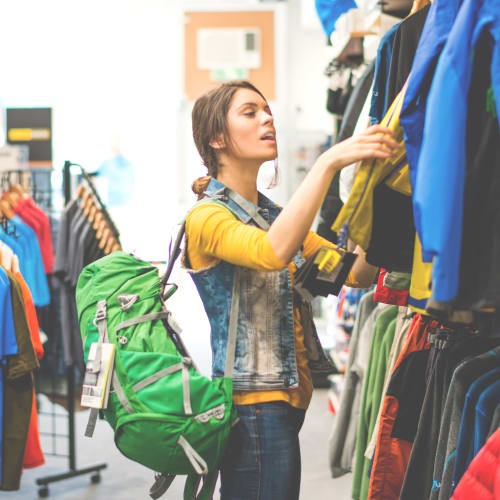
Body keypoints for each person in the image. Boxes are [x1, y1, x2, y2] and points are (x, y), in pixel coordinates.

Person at [184, 80, 397, 500]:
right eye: (250, 112)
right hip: (252, 406)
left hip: (285, 400)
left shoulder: (272, 215)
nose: (267, 119)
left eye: (268, 111)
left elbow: (354, 273)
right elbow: (271, 253)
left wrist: (377, 201)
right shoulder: (207, 218)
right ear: (216, 137)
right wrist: (326, 164)